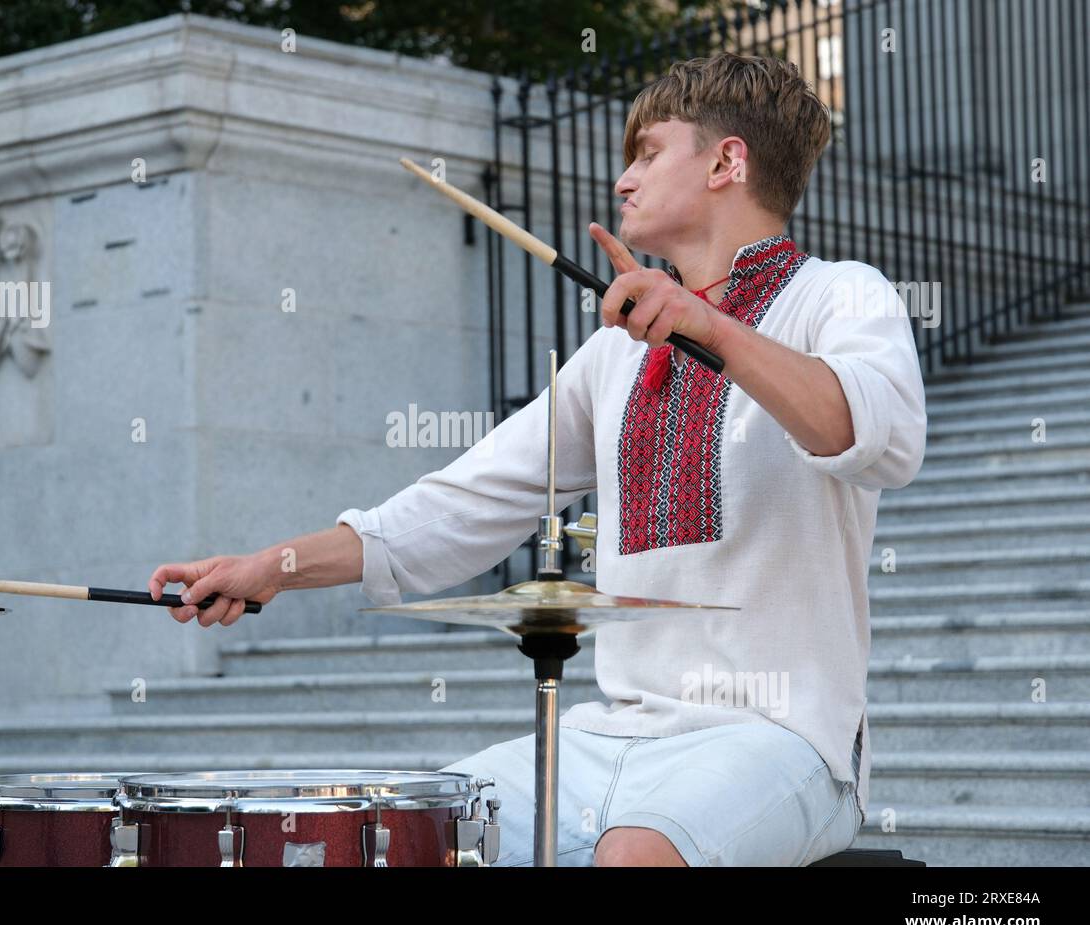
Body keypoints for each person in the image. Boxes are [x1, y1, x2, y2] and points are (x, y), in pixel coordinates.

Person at [148, 51, 927, 866]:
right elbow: (456, 509)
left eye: (648, 153)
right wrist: (271, 567)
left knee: (637, 854)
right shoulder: (612, 355)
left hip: (783, 737)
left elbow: (878, 435)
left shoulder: (842, 293)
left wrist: (709, 328)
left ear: (728, 160)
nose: (623, 180)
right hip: (610, 735)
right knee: (408, 835)